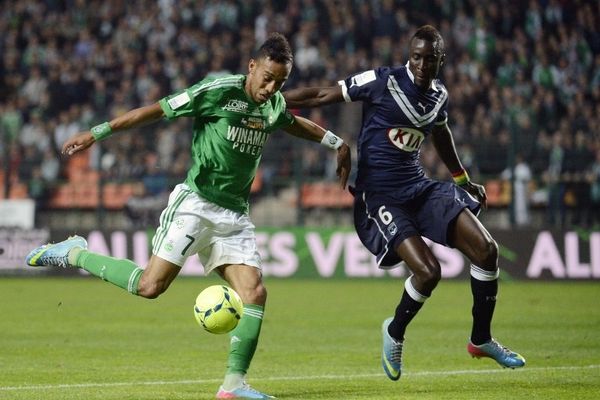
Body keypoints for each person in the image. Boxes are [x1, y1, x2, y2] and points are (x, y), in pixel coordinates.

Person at [26, 33, 351, 399]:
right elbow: (154, 110)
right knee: (150, 287)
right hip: (196, 204)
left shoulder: (272, 104)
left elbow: (293, 124)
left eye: (280, 82)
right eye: (267, 77)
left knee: (255, 293)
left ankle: (233, 386)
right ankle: (74, 252)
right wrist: (98, 132)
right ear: (252, 67)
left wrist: (336, 143)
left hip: (234, 217)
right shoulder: (217, 91)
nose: (271, 87)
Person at [283, 25, 525, 381]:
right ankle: (394, 332)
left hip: (418, 186)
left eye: (430, 58)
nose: (422, 64)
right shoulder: (382, 81)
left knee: (487, 251)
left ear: (441, 60)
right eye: (416, 57)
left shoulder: (439, 96)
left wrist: (462, 179)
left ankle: (481, 339)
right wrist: (272, 97)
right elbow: (322, 94)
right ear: (408, 56)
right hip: (380, 194)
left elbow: (440, 132)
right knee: (428, 272)